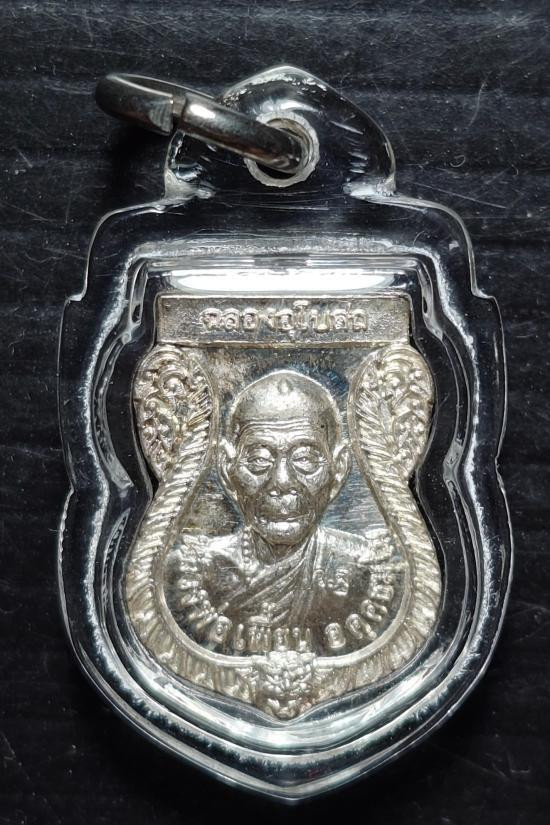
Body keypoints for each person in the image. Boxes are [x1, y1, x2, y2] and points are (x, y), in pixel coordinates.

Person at [165, 370, 397, 656]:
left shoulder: (369, 568)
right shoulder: (190, 571)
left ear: (338, 469)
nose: (282, 482)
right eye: (259, 460)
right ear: (227, 470)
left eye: (305, 459)